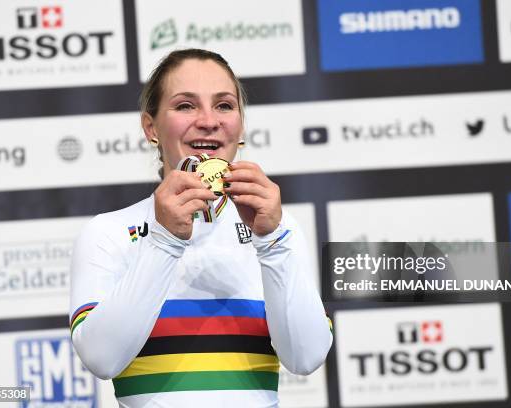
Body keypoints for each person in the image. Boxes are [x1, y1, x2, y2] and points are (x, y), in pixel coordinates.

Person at [69, 48, 332, 407]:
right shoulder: (110, 232)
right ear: (151, 128)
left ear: (240, 124)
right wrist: (163, 241)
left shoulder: (280, 229)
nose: (209, 121)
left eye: (224, 105)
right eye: (185, 106)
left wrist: (272, 242)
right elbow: (101, 359)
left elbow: (307, 357)